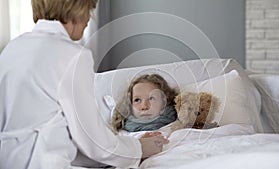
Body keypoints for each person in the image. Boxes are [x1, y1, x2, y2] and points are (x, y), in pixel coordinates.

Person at [0, 0, 168, 168]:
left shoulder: (13, 48)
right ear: (76, 8)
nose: (89, 18)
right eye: (89, 9)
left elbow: (58, 135)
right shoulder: (72, 55)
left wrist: (130, 147)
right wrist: (139, 148)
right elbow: (93, 140)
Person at [111, 74, 178, 136]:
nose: (144, 106)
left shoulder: (177, 126)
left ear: (165, 101)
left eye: (151, 98)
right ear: (129, 105)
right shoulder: (123, 135)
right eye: (137, 100)